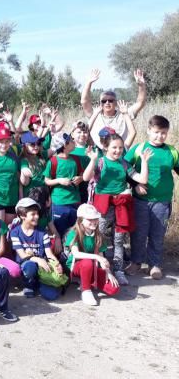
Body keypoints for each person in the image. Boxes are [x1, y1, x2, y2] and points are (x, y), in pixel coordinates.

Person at [83, 132, 151, 286]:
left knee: (119, 240)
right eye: (114, 147)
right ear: (106, 147)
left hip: (121, 206)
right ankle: (94, 268)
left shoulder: (124, 164)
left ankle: (119, 271)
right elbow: (87, 177)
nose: (118, 150)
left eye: (120, 148)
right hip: (102, 206)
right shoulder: (100, 162)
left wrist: (144, 161)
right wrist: (92, 160)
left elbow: (142, 179)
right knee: (97, 237)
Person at [125, 115, 179, 279]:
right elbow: (124, 167)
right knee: (139, 233)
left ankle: (154, 265)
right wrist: (135, 184)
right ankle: (136, 262)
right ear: (149, 130)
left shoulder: (172, 151)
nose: (159, 136)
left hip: (162, 202)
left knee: (157, 234)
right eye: (156, 132)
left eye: (163, 133)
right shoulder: (139, 148)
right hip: (140, 201)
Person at [65, 204, 120, 306]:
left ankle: (87, 281)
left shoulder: (98, 235)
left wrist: (108, 272)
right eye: (90, 219)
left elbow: (101, 257)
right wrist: (96, 257)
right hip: (77, 268)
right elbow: (76, 254)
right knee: (87, 262)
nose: (94, 221)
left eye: (95, 219)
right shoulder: (74, 233)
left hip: (92, 268)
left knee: (114, 289)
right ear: (81, 220)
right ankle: (86, 291)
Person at [10, 198, 63, 300]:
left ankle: (40, 282)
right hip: (26, 265)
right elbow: (22, 255)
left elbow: (49, 254)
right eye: (33, 214)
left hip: (42, 267)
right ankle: (28, 284)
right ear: (22, 216)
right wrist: (38, 259)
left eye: (37, 214)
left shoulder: (42, 233)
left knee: (52, 295)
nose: (37, 216)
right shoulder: (15, 232)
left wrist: (57, 264)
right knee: (29, 266)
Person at [81, 68, 147, 146]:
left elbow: (140, 103)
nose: (107, 102)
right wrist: (88, 83)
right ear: (100, 103)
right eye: (104, 101)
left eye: (110, 100)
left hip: (118, 153)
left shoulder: (124, 114)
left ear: (116, 102)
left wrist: (141, 85)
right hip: (97, 154)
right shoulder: (95, 113)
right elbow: (84, 102)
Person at [44, 133, 83, 238]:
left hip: (75, 202)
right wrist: (59, 181)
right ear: (65, 145)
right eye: (71, 140)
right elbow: (47, 180)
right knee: (60, 232)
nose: (73, 141)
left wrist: (80, 178)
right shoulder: (53, 161)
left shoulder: (75, 159)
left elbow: (82, 174)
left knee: (75, 233)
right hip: (59, 203)